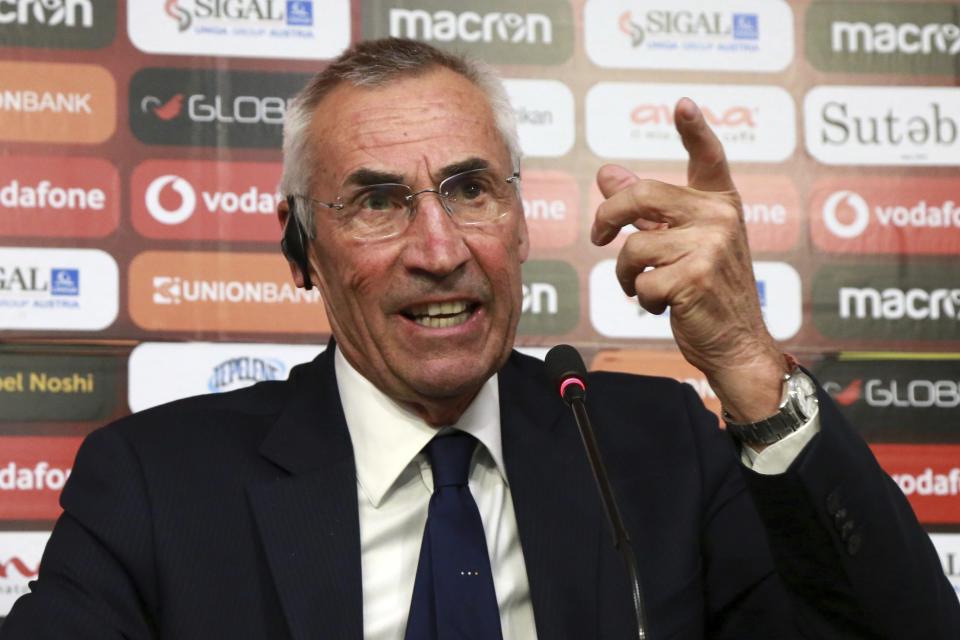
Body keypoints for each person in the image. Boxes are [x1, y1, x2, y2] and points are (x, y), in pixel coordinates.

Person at [2, 38, 957, 640]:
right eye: (378, 202)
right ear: (303, 252)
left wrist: (748, 360)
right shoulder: (158, 484)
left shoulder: (653, 446)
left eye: (470, 189)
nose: (439, 248)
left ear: (521, 222)